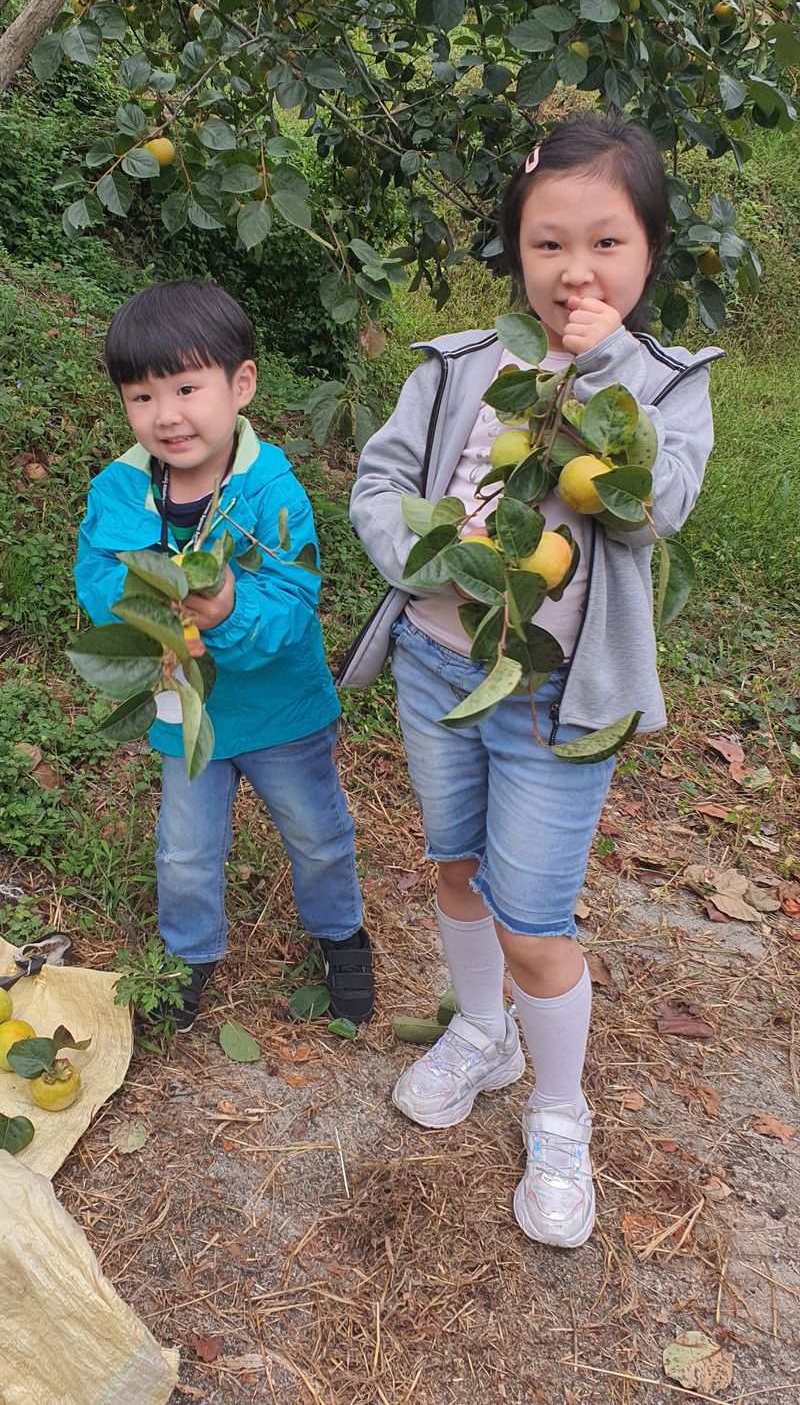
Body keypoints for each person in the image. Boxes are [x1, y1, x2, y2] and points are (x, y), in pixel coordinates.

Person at [343, 114, 721, 1248]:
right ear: (515, 250)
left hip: (557, 700)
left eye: (605, 241)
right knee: (454, 867)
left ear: (649, 249)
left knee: (535, 919)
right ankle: (481, 1034)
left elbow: (653, 505)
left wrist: (599, 368)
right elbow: (380, 479)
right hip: (433, 661)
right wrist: (417, 552)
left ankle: (558, 1108)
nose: (574, 269)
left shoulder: (662, 382)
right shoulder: (461, 364)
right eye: (547, 242)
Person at [75, 282, 374, 1032]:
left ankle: (342, 936)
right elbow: (99, 572)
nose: (166, 414)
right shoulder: (121, 489)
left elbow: (293, 601)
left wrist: (230, 606)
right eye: (141, 396)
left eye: (186, 387)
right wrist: (151, 603)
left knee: (317, 833)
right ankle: (188, 956)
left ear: (240, 385)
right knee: (184, 849)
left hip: (281, 709)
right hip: (188, 713)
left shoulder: (270, 492)